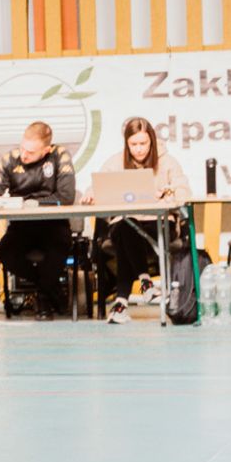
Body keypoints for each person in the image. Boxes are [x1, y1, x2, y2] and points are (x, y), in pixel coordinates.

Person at [83, 115, 190, 324]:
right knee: (126, 226)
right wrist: (91, 194)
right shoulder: (115, 162)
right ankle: (145, 284)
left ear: (151, 141)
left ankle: (121, 303)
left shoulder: (168, 162)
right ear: (127, 143)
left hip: (158, 225)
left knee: (127, 237)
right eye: (133, 144)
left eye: (143, 144)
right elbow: (96, 186)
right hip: (125, 225)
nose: (139, 149)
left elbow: (184, 192)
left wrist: (166, 192)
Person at [0, 121, 78, 320]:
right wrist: (8, 203)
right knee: (5, 252)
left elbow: (66, 196)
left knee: (59, 248)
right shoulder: (10, 159)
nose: (24, 155)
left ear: (46, 150)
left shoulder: (60, 156)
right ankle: (50, 289)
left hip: (54, 224)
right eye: (23, 148)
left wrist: (32, 204)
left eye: (31, 152)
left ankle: (43, 299)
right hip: (21, 225)